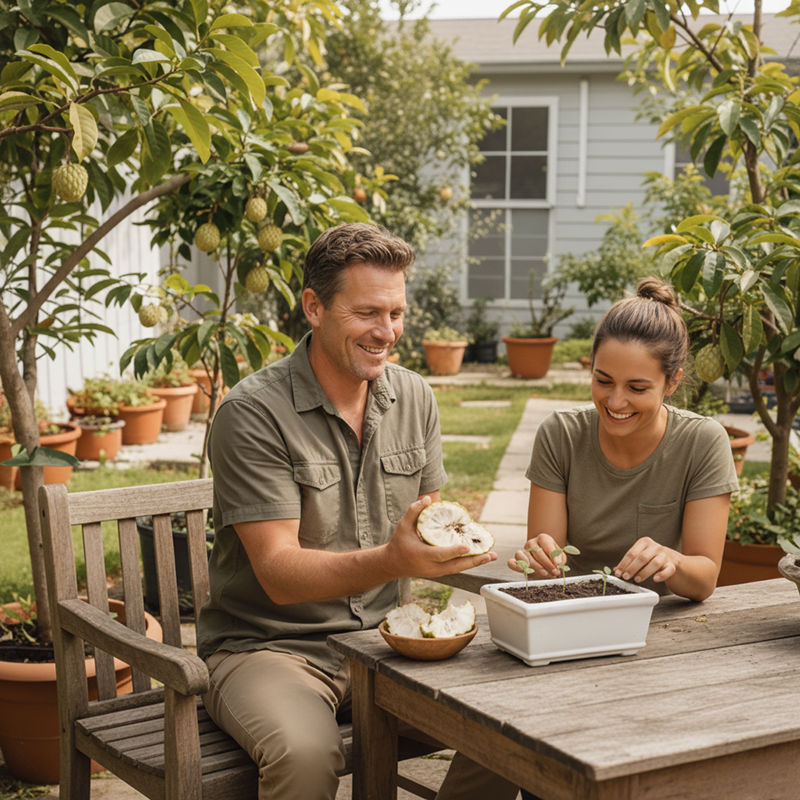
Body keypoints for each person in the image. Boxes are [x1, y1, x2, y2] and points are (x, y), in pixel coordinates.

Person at [197, 223, 520, 800]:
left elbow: (433, 525)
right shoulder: (251, 414)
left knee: (516, 723)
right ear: (314, 307)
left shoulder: (414, 397)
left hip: (386, 642)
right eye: (369, 313)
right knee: (304, 757)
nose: (387, 332)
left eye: (397, 313)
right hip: (271, 648)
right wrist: (396, 559)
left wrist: (471, 556)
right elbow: (277, 572)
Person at [513, 277, 738, 800]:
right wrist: (537, 561)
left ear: (673, 381)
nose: (615, 401)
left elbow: (704, 578)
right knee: (531, 767)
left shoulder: (702, 443)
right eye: (602, 380)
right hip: (567, 636)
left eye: (637, 388)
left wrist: (670, 560)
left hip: (658, 642)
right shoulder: (561, 435)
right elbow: (545, 557)